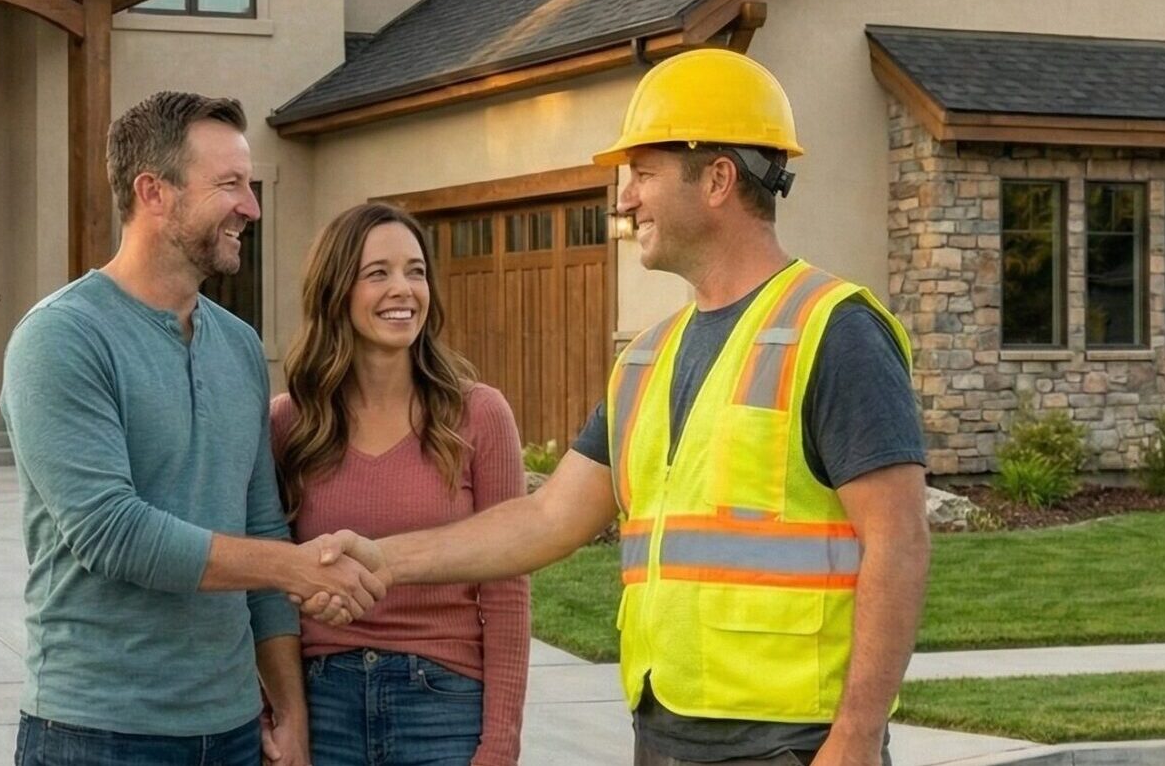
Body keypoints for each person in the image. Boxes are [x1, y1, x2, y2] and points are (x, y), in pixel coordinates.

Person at [312, 49, 932, 766]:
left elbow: (900, 541)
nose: (625, 198)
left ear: (719, 179)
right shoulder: (647, 357)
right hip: (664, 730)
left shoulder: (835, 330)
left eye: (643, 173)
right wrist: (380, 561)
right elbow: (547, 519)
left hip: (794, 740)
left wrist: (855, 738)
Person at [3, 91, 388, 766]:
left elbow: (261, 522)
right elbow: (112, 533)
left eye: (251, 184)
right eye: (230, 185)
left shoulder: (237, 347)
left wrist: (289, 710)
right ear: (154, 192)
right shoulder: (61, 339)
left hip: (235, 729)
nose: (252, 206)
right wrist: (296, 567)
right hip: (97, 733)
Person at [271, 203, 530, 766]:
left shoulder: (478, 415)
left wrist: (501, 741)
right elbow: (267, 586)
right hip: (323, 705)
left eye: (416, 271)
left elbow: (508, 585)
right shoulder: (288, 425)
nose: (404, 289)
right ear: (336, 290)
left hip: (443, 704)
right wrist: (279, 717)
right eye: (378, 273)